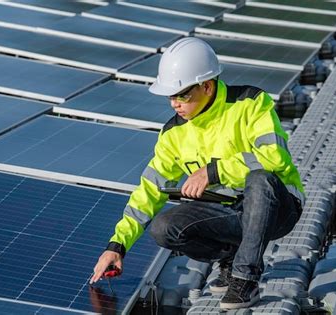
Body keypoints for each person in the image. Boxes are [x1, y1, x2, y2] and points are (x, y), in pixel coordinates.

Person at [90, 37, 305, 310]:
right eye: (170, 95)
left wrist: (213, 172)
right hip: (229, 215)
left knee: (260, 179)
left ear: (207, 85)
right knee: (164, 227)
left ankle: (245, 278)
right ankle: (230, 255)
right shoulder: (173, 134)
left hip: (278, 208)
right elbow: (150, 190)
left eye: (182, 94)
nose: (174, 104)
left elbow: (274, 158)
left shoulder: (250, 103)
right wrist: (117, 245)